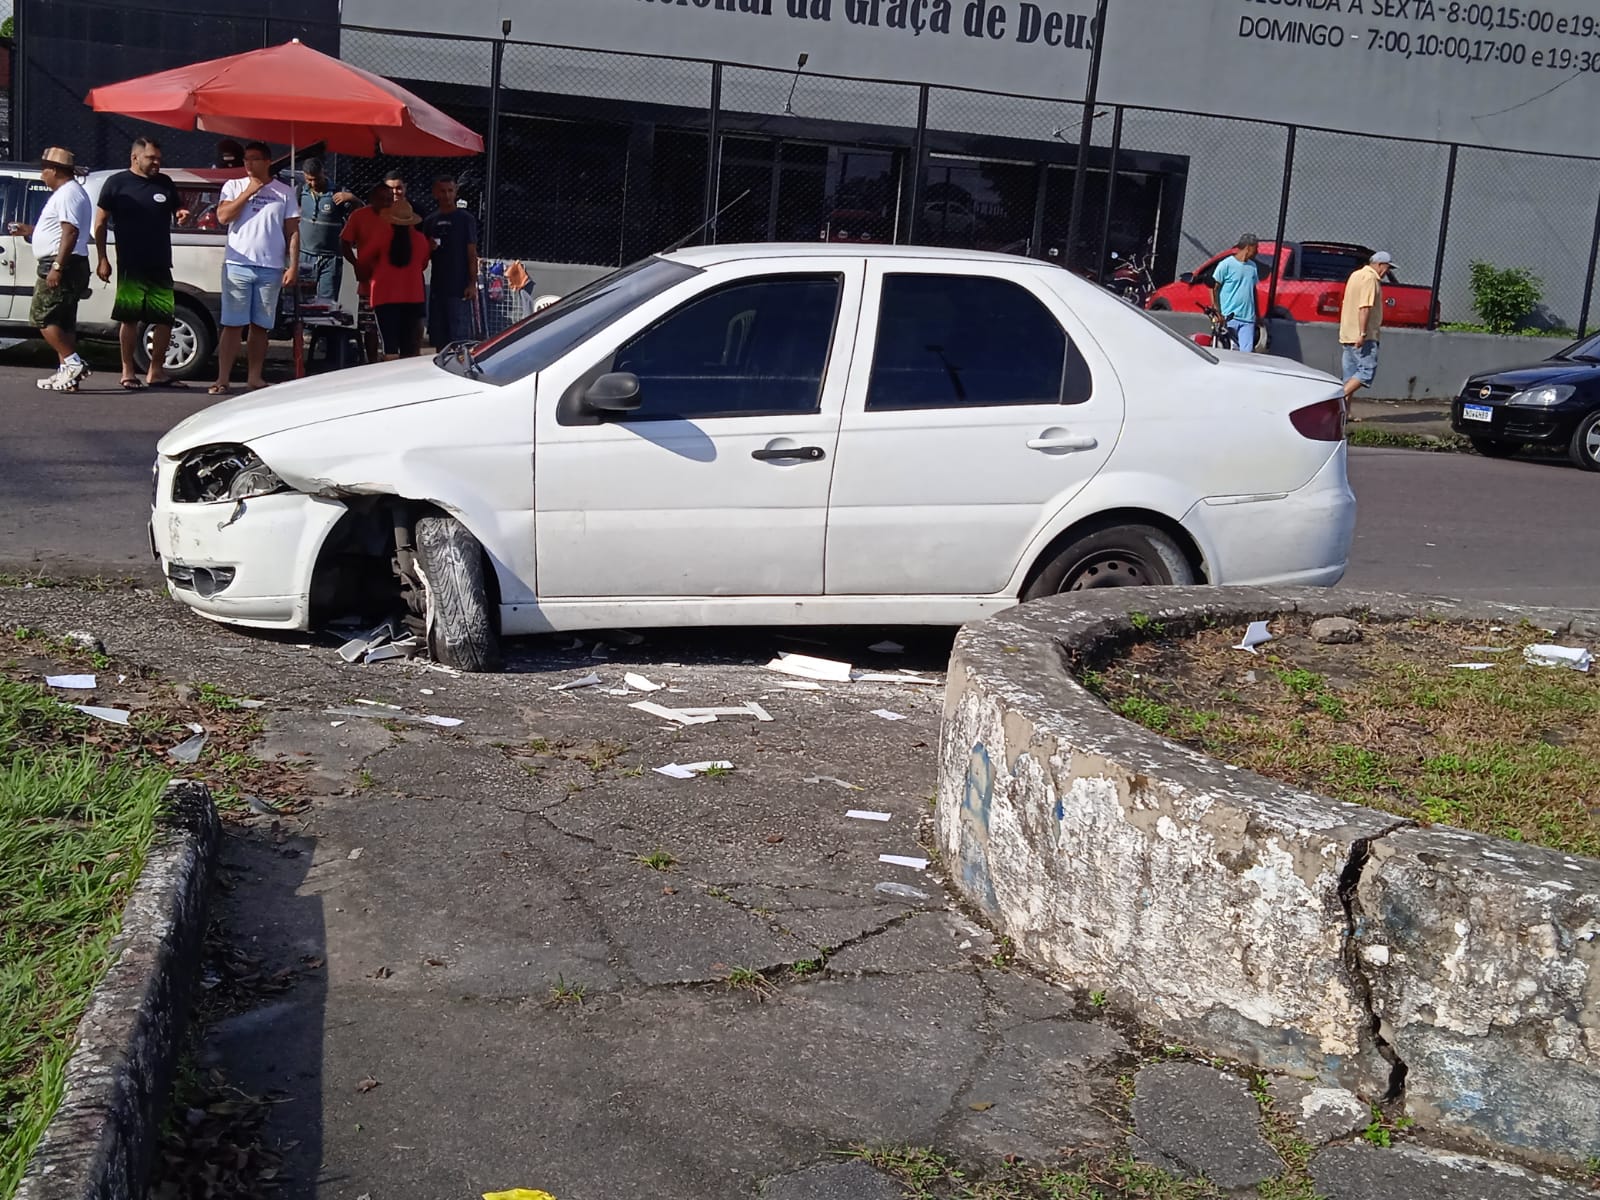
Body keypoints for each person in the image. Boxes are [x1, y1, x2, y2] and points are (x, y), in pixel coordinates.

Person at [92, 135, 191, 390]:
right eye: (151, 158)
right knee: (129, 318)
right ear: (135, 157)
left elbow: (177, 209)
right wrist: (102, 258)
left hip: (159, 262)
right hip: (130, 263)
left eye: (159, 158)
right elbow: (100, 223)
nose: (157, 162)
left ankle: (155, 371)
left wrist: (180, 214)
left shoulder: (165, 183)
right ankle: (127, 371)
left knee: (164, 318)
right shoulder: (117, 184)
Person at [211, 141, 298, 395]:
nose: (248, 164)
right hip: (238, 265)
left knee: (261, 325)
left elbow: (292, 232)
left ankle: (254, 377)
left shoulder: (285, 192)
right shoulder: (234, 186)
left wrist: (291, 266)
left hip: (270, 267)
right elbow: (223, 217)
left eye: (254, 159)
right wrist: (249, 191)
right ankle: (222, 378)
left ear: (267, 161)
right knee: (233, 324)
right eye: (246, 159)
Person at [13, 147, 93, 392]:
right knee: (63, 321)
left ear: (55, 170)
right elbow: (61, 230)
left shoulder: (68, 194)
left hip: (62, 264)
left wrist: (57, 267)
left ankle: (72, 362)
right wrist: (32, 231)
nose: (42, 176)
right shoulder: (69, 192)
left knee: (42, 317)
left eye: (44, 170)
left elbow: (70, 232)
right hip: (72, 263)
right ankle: (67, 375)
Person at [420, 174, 479, 348]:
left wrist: (472, 283)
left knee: (459, 339)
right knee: (439, 337)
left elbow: (472, 253)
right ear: (435, 193)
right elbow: (422, 259)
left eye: (450, 191)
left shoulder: (466, 219)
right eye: (442, 191)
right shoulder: (430, 221)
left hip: (459, 288)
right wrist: (428, 249)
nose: (446, 195)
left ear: (456, 192)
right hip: (438, 289)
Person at [369, 199, 430, 359]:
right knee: (409, 348)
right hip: (413, 296)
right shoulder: (421, 239)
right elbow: (423, 264)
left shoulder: (380, 236)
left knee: (389, 346)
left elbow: (365, 259)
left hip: (385, 296)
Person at [341, 182, 394, 361]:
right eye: (382, 199)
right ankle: (372, 363)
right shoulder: (359, 216)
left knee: (392, 327)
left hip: (394, 284)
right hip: (369, 283)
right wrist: (356, 264)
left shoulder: (400, 216)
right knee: (370, 327)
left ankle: (391, 361)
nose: (387, 203)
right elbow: (344, 242)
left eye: (390, 199)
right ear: (372, 200)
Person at [297, 157, 357, 303]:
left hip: (330, 258)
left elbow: (360, 214)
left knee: (327, 304)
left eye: (316, 179)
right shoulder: (300, 191)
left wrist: (353, 198)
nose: (313, 183)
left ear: (323, 172)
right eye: (309, 180)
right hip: (305, 256)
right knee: (302, 302)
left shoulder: (338, 193)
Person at [1339, 250, 1394, 400]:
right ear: (1380, 265)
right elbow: (1364, 307)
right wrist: (1363, 333)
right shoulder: (1370, 279)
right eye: (1387, 267)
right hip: (1363, 335)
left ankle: (1345, 413)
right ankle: (1335, 399)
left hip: (1347, 333)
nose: (1387, 272)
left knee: (1349, 376)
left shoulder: (1355, 275)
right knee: (1366, 371)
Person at [1210, 235, 1263, 353]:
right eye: (1256, 248)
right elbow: (1214, 288)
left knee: (1246, 353)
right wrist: (1217, 311)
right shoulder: (1226, 265)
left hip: (1248, 318)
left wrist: (1257, 314)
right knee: (1227, 350)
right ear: (1248, 248)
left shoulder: (1252, 267)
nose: (1257, 251)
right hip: (1228, 317)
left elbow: (1253, 290)